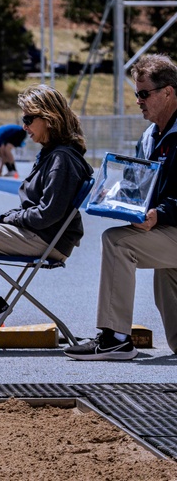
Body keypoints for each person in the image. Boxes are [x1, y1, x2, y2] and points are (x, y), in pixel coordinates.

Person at [0, 85, 92, 334]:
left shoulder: (61, 159)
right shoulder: (52, 154)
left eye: (27, 119)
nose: (24, 127)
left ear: (48, 118)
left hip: (46, 239)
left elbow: (48, 214)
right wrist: (6, 220)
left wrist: (9, 218)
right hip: (42, 234)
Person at [65, 54, 177, 361]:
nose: (138, 100)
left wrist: (159, 214)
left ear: (168, 92)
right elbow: (139, 187)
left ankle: (115, 338)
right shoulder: (148, 137)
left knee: (117, 242)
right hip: (167, 231)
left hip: (170, 227)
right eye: (136, 94)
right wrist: (110, 194)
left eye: (144, 94)